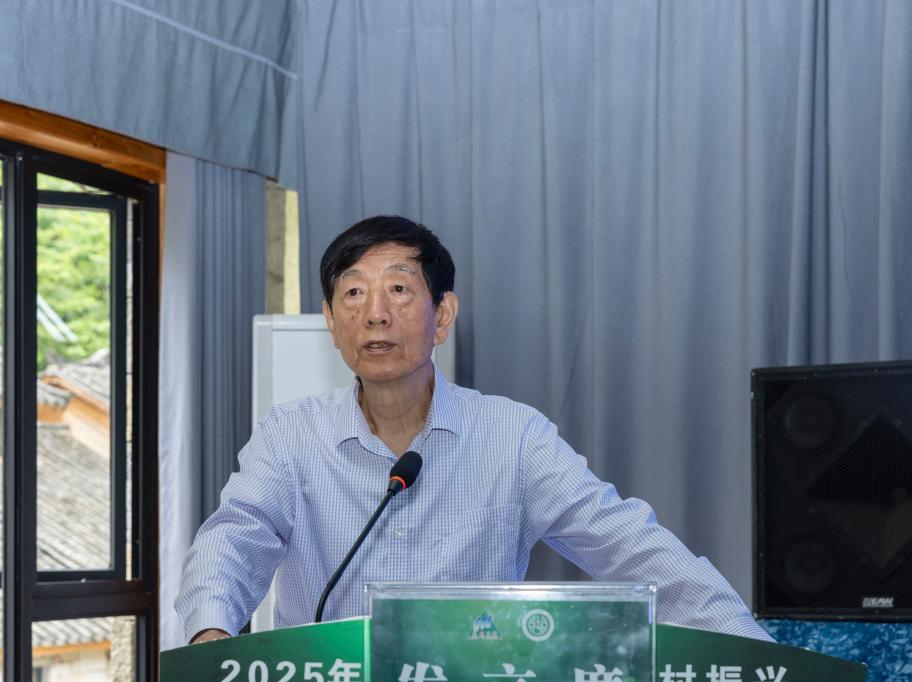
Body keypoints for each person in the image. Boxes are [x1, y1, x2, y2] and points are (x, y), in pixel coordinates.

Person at [176, 215, 772, 644]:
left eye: (399, 289)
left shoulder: (513, 438)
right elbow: (235, 538)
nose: (375, 313)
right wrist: (210, 635)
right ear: (331, 322)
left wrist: (756, 655)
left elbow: (627, 545)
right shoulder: (289, 437)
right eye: (353, 293)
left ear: (443, 316)